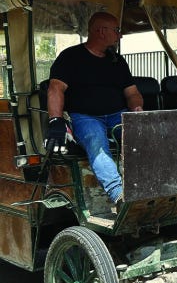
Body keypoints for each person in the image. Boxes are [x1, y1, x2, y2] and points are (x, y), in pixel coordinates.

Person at [45, 11, 143, 210]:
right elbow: (55, 88)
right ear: (101, 31)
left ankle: (148, 186)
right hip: (85, 117)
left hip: (117, 115)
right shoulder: (70, 57)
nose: (120, 35)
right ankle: (120, 195)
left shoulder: (117, 61)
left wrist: (137, 109)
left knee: (143, 136)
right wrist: (56, 121)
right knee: (95, 140)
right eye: (116, 30)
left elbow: (132, 93)